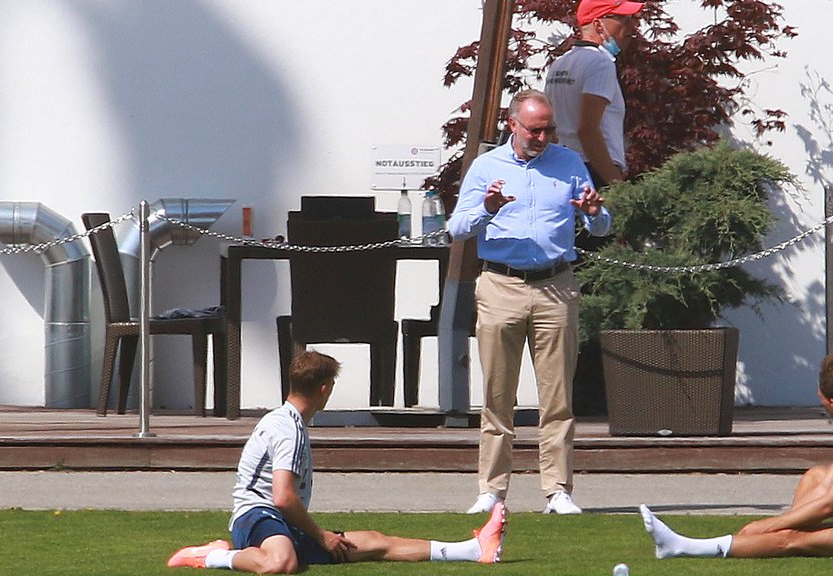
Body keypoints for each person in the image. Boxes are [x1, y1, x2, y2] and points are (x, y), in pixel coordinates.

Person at [167, 351, 506, 573]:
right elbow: (282, 498)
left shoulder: (289, 421)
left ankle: (473, 549)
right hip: (257, 517)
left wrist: (321, 536)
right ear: (324, 389)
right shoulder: (287, 429)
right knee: (281, 564)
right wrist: (322, 536)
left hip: (283, 523)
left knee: (374, 541)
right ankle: (213, 556)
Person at [448, 89, 611, 515]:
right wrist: (487, 208)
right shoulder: (487, 166)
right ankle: (491, 490)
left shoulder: (569, 163)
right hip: (500, 285)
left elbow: (600, 225)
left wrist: (595, 213)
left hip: (556, 286)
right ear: (513, 125)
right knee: (497, 395)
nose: (543, 137)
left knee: (558, 397)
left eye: (549, 129)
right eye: (535, 130)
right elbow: (458, 227)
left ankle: (557, 490)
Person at [640, 353, 833, 559]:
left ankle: (685, 547)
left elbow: (831, 503)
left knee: (793, 541)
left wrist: (772, 525)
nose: (818, 398)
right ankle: (779, 535)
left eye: (821, 395)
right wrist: (782, 522)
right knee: (816, 476)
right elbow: (827, 487)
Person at [544, 0, 644, 189]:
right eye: (624, 19)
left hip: (560, 168)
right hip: (592, 171)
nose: (633, 27)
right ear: (598, 24)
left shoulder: (560, 63)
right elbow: (587, 130)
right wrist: (616, 185)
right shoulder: (600, 63)